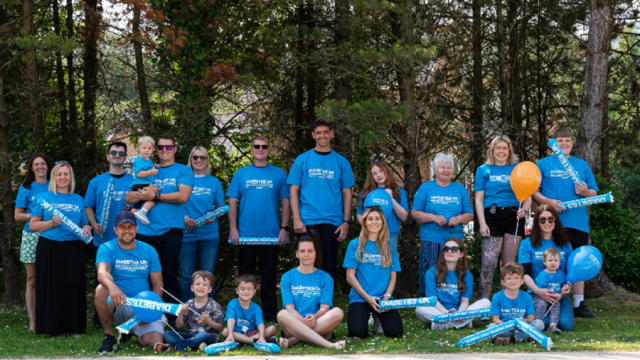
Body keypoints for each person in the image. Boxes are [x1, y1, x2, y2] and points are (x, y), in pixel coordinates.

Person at [125, 133, 194, 319]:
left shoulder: (184, 171)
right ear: (156, 149)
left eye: (168, 147)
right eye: (161, 147)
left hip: (170, 231)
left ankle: (172, 322)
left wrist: (154, 196)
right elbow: (129, 198)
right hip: (144, 232)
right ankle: (142, 321)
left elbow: (183, 196)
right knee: (142, 278)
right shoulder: (148, 168)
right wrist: (142, 195)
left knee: (169, 277)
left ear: (175, 149)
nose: (165, 150)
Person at [532, 128, 598, 318]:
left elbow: (594, 192)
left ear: (572, 143)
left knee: (577, 263)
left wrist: (586, 192)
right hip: (550, 223)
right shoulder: (543, 164)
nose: (564, 144)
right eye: (560, 141)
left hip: (577, 222)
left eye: (567, 141)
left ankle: (578, 304)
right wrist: (548, 203)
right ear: (554, 143)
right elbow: (533, 192)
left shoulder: (581, 165)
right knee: (552, 260)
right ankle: (548, 298)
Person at [227, 135, 290, 322]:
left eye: (264, 146)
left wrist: (284, 227)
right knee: (245, 276)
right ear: (251, 149)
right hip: (245, 235)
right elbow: (232, 202)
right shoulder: (240, 174)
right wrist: (233, 228)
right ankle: (241, 314)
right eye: (257, 146)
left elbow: (286, 203)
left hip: (271, 235)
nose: (260, 149)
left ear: (269, 149)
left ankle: (270, 315)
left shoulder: (279, 174)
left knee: (269, 276)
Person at [29, 161, 92, 336]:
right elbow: (33, 226)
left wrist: (87, 228)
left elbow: (83, 223)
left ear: (71, 177)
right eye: (59, 174)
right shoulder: (44, 198)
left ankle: (76, 328)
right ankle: (52, 328)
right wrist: (50, 223)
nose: (62, 177)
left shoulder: (78, 199)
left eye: (66, 174)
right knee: (51, 287)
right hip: (49, 246)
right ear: (53, 177)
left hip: (73, 247)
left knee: (74, 285)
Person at [288, 119, 355, 280]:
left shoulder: (341, 162)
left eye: (326, 132)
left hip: (333, 222)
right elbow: (293, 191)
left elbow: (347, 194)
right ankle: (306, 303)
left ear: (331, 134)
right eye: (318, 133)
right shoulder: (302, 160)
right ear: (313, 135)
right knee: (307, 264)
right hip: (307, 222)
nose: (322, 136)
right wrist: (296, 219)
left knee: (328, 266)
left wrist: (346, 222)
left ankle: (326, 304)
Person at [94, 211, 166, 354]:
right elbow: (102, 272)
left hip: (142, 304)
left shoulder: (149, 250)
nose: (127, 231)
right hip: (118, 304)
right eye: (122, 227)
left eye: (130, 227)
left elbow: (158, 284)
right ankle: (109, 337)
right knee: (101, 289)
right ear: (115, 230)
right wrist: (113, 287)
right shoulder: (107, 248)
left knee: (153, 341)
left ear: (136, 229)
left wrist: (150, 309)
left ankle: (129, 332)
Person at [475, 135, 531, 299]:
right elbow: (478, 199)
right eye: (498, 148)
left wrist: (526, 210)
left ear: (509, 150)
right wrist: (482, 223)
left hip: (514, 217)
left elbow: (528, 195)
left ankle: (505, 304)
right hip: (492, 216)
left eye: (504, 148)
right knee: (488, 263)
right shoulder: (484, 169)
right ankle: (484, 303)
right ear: (492, 150)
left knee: (509, 266)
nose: (501, 151)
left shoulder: (517, 168)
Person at [85, 141, 134, 329]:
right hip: (103, 240)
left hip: (127, 241)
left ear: (125, 157)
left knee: (125, 279)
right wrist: (93, 223)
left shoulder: (133, 181)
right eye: (113, 152)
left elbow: (141, 207)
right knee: (104, 280)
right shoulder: (96, 182)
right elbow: (88, 206)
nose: (117, 155)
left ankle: (125, 319)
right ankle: (100, 320)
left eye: (121, 153)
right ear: (108, 156)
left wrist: (133, 207)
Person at [411, 153, 473, 295]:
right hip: (431, 238)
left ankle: (453, 300)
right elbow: (415, 213)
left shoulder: (460, 190)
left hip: (454, 240)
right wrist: (433, 217)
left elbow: (469, 214)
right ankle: (428, 302)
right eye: (442, 167)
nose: (446, 170)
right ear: (435, 169)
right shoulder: (425, 188)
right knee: (431, 270)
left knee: (453, 271)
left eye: (449, 167)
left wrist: (458, 219)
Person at [277, 230, 345, 350]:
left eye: (310, 251)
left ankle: (292, 341)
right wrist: (303, 321)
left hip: (318, 322)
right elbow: (289, 308)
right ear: (297, 254)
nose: (306, 255)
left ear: (316, 253)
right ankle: (329, 345)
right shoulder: (287, 277)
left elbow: (325, 308)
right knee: (282, 314)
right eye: (302, 251)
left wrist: (314, 318)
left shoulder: (325, 278)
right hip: (294, 325)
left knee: (338, 312)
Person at [343, 207, 403, 339]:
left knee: (396, 333)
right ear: (364, 222)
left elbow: (393, 276)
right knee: (357, 334)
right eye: (370, 219)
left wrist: (387, 297)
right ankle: (370, 315)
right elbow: (350, 277)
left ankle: (377, 319)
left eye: (377, 219)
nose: (374, 222)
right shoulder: (355, 245)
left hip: (382, 299)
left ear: (382, 222)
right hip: (361, 297)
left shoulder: (390, 246)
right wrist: (368, 298)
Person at [518, 204, 574, 331]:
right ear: (537, 222)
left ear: (556, 221)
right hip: (536, 293)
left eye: (551, 219)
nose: (547, 222)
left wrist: (568, 287)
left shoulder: (565, 244)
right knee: (542, 323)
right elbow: (525, 273)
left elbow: (571, 272)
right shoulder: (527, 244)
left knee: (565, 325)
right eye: (542, 219)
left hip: (559, 296)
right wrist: (538, 291)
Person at [415, 237, 491, 330]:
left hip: (460, 312)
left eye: (454, 249)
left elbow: (465, 301)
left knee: (486, 303)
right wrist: (446, 313)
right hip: (440, 311)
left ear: (461, 254)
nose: (449, 251)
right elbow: (433, 301)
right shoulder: (432, 272)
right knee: (420, 308)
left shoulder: (467, 275)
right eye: (446, 248)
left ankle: (443, 325)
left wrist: (459, 314)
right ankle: (463, 323)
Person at [182, 146, 225, 302]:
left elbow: (221, 207)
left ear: (207, 161)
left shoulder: (214, 182)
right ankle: (186, 311)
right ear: (190, 159)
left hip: (209, 235)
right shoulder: (183, 180)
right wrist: (185, 217)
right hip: (186, 235)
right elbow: (175, 204)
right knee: (186, 275)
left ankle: (207, 311)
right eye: (195, 157)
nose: (199, 160)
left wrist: (212, 214)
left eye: (203, 157)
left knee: (207, 274)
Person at [14, 153, 51, 331]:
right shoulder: (26, 187)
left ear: (48, 166)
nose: (40, 167)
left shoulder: (55, 185)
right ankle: (33, 322)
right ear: (31, 168)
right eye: (36, 164)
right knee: (32, 280)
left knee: (51, 278)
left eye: (43, 163)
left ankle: (50, 317)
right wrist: (36, 215)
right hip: (31, 236)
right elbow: (17, 215)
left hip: (52, 235)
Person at [162, 270, 224, 351]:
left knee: (202, 335)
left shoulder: (214, 305)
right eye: (197, 284)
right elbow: (178, 326)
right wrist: (181, 312)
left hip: (207, 336)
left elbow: (220, 327)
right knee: (167, 334)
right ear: (192, 287)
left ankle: (176, 347)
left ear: (209, 289)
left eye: (205, 285)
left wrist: (208, 321)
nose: (200, 287)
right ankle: (194, 346)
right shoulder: (189, 303)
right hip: (190, 336)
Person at [488, 263, 544, 345]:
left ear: (522, 281)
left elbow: (531, 318)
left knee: (539, 324)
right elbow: (495, 319)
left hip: (522, 328)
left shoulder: (527, 297)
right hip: (505, 328)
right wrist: (507, 326)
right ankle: (525, 337)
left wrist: (525, 321)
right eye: (509, 278)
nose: (513, 281)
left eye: (516, 278)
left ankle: (514, 339)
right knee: (491, 327)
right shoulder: (497, 297)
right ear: (503, 282)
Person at [356, 159, 409, 246]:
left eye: (381, 171)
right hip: (371, 236)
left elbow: (404, 217)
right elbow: (359, 215)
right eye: (375, 173)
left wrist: (391, 198)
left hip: (390, 236)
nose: (379, 175)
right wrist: (369, 226)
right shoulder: (366, 193)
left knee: (389, 259)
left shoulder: (399, 192)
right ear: (371, 176)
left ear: (386, 171)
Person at [222, 274, 278, 346]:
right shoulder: (232, 304)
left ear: (254, 291)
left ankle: (242, 342)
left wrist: (261, 336)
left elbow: (260, 324)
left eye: (249, 289)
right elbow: (231, 319)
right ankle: (253, 342)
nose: (246, 292)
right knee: (225, 332)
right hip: (236, 333)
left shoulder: (256, 308)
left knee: (273, 329)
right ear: (237, 291)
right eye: (242, 289)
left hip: (252, 333)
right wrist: (230, 334)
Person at [533, 248, 569, 334]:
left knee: (556, 306)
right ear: (544, 262)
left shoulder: (561, 274)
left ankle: (553, 325)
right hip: (543, 297)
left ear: (560, 263)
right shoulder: (543, 274)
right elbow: (542, 289)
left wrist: (563, 290)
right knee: (542, 304)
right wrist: (554, 295)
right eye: (550, 260)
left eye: (556, 260)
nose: (553, 263)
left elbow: (564, 284)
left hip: (555, 298)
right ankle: (539, 323)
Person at [130, 136, 159, 225]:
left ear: (153, 149)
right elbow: (139, 173)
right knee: (154, 197)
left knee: (137, 204)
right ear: (138, 148)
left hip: (142, 183)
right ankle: (143, 212)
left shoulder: (148, 159)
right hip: (141, 183)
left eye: (149, 148)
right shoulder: (139, 160)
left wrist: (156, 167)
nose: (147, 150)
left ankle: (130, 218)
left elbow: (150, 167)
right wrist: (151, 172)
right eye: (144, 148)